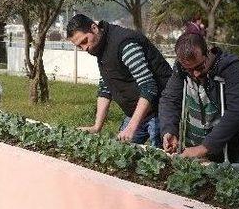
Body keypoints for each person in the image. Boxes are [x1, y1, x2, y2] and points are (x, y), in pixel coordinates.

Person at [159, 27, 239, 167]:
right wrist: (169, 130)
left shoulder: (235, 69)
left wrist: (203, 148)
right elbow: (169, 99)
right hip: (194, 143)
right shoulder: (181, 68)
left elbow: (236, 112)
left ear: (208, 53)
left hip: (231, 147)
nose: (195, 74)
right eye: (189, 70)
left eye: (199, 67)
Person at [66, 14, 173, 147]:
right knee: (120, 151)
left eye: (84, 41)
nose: (84, 48)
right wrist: (96, 127)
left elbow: (149, 87)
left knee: (161, 159)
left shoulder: (124, 43)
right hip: (136, 112)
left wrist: (131, 127)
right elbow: (106, 86)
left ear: (94, 28)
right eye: (79, 46)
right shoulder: (100, 48)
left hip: (160, 110)